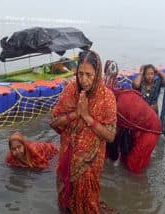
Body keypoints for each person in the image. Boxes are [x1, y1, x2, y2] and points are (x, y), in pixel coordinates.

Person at [50, 50, 117, 213]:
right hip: (68, 154)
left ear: (97, 73)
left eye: (89, 75)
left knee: (87, 201)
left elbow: (110, 136)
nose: (84, 80)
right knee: (66, 199)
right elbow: (54, 122)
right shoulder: (70, 91)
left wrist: (87, 117)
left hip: (91, 161)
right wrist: (75, 114)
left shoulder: (106, 97)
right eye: (80, 74)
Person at [132, 64, 165, 135]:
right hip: (142, 115)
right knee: (141, 134)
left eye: (152, 74)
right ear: (143, 75)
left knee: (153, 134)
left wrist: (159, 71)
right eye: (147, 74)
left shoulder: (157, 83)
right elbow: (135, 84)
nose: (150, 76)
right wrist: (140, 73)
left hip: (154, 114)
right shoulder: (141, 84)